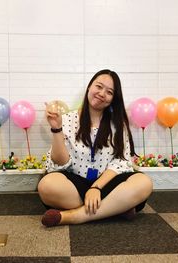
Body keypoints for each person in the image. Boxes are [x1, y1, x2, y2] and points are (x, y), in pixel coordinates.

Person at [38, 69, 153, 227]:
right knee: (47, 185)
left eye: (109, 92)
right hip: (75, 184)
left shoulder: (117, 125)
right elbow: (59, 163)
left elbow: (121, 162)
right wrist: (57, 129)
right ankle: (115, 208)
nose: (102, 93)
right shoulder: (66, 119)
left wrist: (96, 187)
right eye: (98, 86)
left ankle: (74, 216)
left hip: (106, 183)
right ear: (89, 88)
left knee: (143, 182)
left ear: (113, 99)